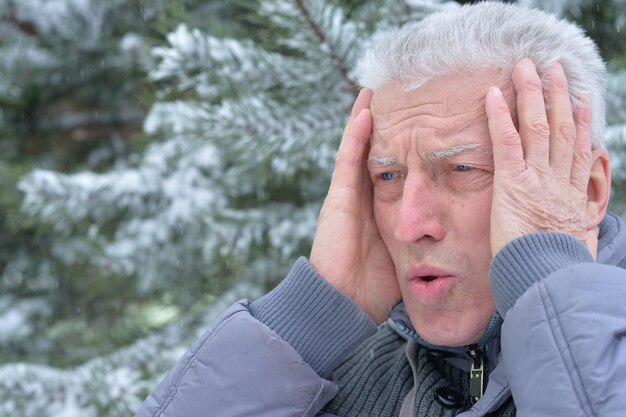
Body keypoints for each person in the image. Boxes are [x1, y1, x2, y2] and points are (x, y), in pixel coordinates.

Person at [135, 2, 626, 416]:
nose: (411, 224)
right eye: (387, 177)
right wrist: (305, 322)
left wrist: (547, 286)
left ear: (586, 189)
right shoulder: (329, 383)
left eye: (461, 170)